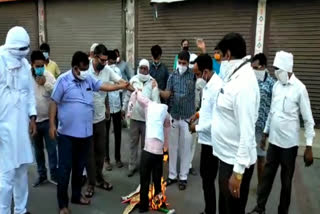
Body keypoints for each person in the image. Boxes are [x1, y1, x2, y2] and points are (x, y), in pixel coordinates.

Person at [49, 51, 131, 214]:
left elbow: (104, 86)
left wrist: (120, 86)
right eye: (81, 70)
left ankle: (77, 196)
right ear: (74, 67)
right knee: (65, 170)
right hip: (66, 135)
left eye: (86, 69)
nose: (84, 73)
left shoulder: (87, 78)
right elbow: (54, 102)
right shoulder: (63, 80)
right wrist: (52, 124)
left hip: (84, 135)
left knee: (79, 169)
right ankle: (63, 205)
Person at [247, 51, 315, 214]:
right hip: (274, 143)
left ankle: (282, 211)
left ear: (287, 68)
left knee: (286, 182)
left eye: (278, 69)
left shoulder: (300, 89)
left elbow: (308, 119)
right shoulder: (276, 86)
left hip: (289, 146)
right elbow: (272, 112)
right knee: (266, 179)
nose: (276, 72)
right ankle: (260, 207)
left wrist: (309, 146)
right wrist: (265, 133)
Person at [210, 33, 260, 214]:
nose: (220, 60)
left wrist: (238, 173)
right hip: (226, 158)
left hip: (235, 163)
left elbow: (247, 132)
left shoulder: (243, 84)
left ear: (228, 55)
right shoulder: (235, 75)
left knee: (232, 209)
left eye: (221, 56)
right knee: (224, 206)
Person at [0, 26, 36, 214]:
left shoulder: (25, 65)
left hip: (21, 126)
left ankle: (20, 210)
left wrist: (32, 116)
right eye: (20, 50)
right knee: (6, 175)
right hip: (4, 127)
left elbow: (29, 93)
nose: (23, 54)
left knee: (22, 171)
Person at [85, 46, 129, 198]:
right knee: (89, 154)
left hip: (100, 118)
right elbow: (108, 87)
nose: (104, 63)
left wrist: (135, 90)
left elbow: (121, 81)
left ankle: (98, 178)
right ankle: (90, 184)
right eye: (101, 60)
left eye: (105, 60)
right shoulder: (86, 69)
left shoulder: (107, 70)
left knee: (100, 151)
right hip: (85, 120)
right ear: (94, 57)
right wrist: (119, 86)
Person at [189, 54, 224, 214]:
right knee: (206, 178)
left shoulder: (217, 87)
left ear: (205, 71)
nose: (197, 77)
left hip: (213, 142)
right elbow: (207, 109)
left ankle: (210, 211)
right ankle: (209, 209)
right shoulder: (209, 85)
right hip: (206, 140)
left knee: (208, 179)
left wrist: (196, 128)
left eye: (197, 74)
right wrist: (197, 115)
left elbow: (217, 120)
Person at [127, 90, 170, 213]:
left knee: (144, 180)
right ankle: (159, 204)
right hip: (158, 152)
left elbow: (135, 93)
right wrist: (165, 147)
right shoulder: (165, 112)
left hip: (147, 151)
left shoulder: (148, 104)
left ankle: (143, 206)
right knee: (157, 180)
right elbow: (167, 127)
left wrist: (129, 112)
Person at [160, 50, 196, 190]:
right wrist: (158, 90)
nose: (181, 65)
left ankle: (183, 177)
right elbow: (168, 94)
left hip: (188, 117)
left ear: (188, 63)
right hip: (174, 116)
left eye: (184, 63)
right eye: (179, 63)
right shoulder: (172, 76)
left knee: (185, 148)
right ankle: (172, 175)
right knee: (172, 147)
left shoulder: (193, 76)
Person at [122, 59, 160, 177]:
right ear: (138, 68)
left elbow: (156, 100)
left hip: (147, 120)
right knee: (133, 143)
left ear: (148, 70)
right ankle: (132, 166)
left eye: (145, 68)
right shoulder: (133, 80)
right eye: (141, 68)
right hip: (134, 118)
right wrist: (124, 109)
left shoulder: (152, 82)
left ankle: (145, 167)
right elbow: (127, 96)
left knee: (146, 145)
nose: (143, 70)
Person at [30, 50, 58, 187]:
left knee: (52, 150)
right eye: (37, 66)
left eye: (42, 65)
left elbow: (57, 93)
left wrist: (45, 83)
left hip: (48, 120)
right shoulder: (26, 78)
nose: (40, 68)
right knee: (38, 150)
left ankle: (54, 175)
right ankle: (42, 175)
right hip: (34, 121)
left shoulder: (48, 76)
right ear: (32, 65)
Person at [250, 53, 275, 187]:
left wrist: (268, 131)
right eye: (252, 67)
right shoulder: (250, 80)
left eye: (256, 67)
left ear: (264, 66)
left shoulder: (272, 84)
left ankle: (261, 186)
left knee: (261, 158)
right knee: (247, 159)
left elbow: (274, 107)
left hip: (262, 127)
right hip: (249, 125)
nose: (253, 70)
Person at [104, 50, 124, 171]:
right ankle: (106, 159)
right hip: (106, 108)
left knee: (118, 133)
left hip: (116, 106)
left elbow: (121, 90)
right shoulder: (104, 71)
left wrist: (121, 107)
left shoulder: (117, 71)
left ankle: (117, 158)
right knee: (105, 135)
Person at [188, 61, 207, 176]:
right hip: (184, 112)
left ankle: (188, 164)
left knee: (192, 140)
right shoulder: (187, 80)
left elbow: (204, 100)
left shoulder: (201, 83)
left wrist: (198, 114)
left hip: (195, 113)